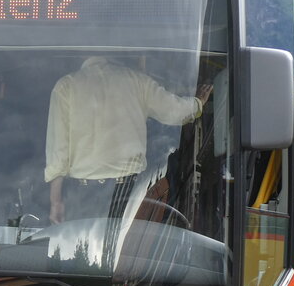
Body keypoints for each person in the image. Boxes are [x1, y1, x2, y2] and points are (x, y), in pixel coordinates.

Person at [44, 57, 210, 224]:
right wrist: (197, 104)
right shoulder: (137, 81)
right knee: (129, 248)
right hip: (129, 193)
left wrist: (56, 202)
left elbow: (59, 150)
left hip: (81, 196)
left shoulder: (66, 86)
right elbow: (174, 111)